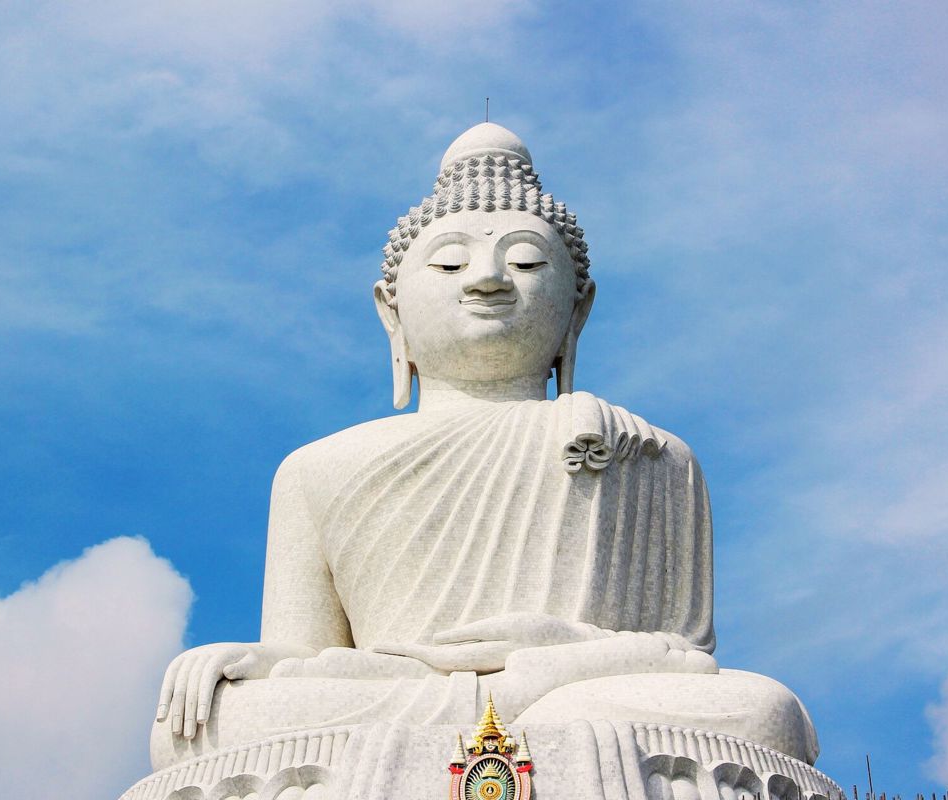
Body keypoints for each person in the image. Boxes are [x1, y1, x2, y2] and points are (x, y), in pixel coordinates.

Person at [150, 123, 817, 772]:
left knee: (761, 712)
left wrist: (551, 664)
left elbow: (682, 657)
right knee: (208, 724)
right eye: (448, 262)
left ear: (577, 309)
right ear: (392, 309)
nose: (488, 279)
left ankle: (519, 722)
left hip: (578, 689)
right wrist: (256, 665)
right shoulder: (315, 469)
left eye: (526, 260)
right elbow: (300, 653)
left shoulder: (651, 455)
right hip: (397, 693)